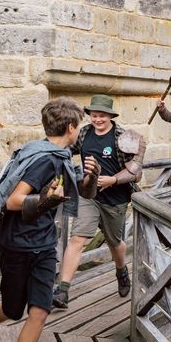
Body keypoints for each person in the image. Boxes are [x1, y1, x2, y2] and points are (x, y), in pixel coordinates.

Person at [0, 98, 100, 342]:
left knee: (40, 311)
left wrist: (90, 178)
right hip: (16, 243)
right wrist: (47, 201)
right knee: (14, 310)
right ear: (70, 127)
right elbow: (14, 201)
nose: (80, 132)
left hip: (43, 243)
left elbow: (82, 192)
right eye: (79, 126)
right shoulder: (45, 158)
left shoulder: (62, 156)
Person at [52, 94, 145, 309]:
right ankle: (62, 290)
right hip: (88, 195)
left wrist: (113, 180)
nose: (97, 120)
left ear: (110, 116)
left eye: (102, 116)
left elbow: (136, 171)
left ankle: (121, 272)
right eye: (94, 115)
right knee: (77, 238)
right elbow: (67, 149)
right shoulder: (84, 133)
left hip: (115, 199)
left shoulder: (122, 136)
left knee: (115, 242)